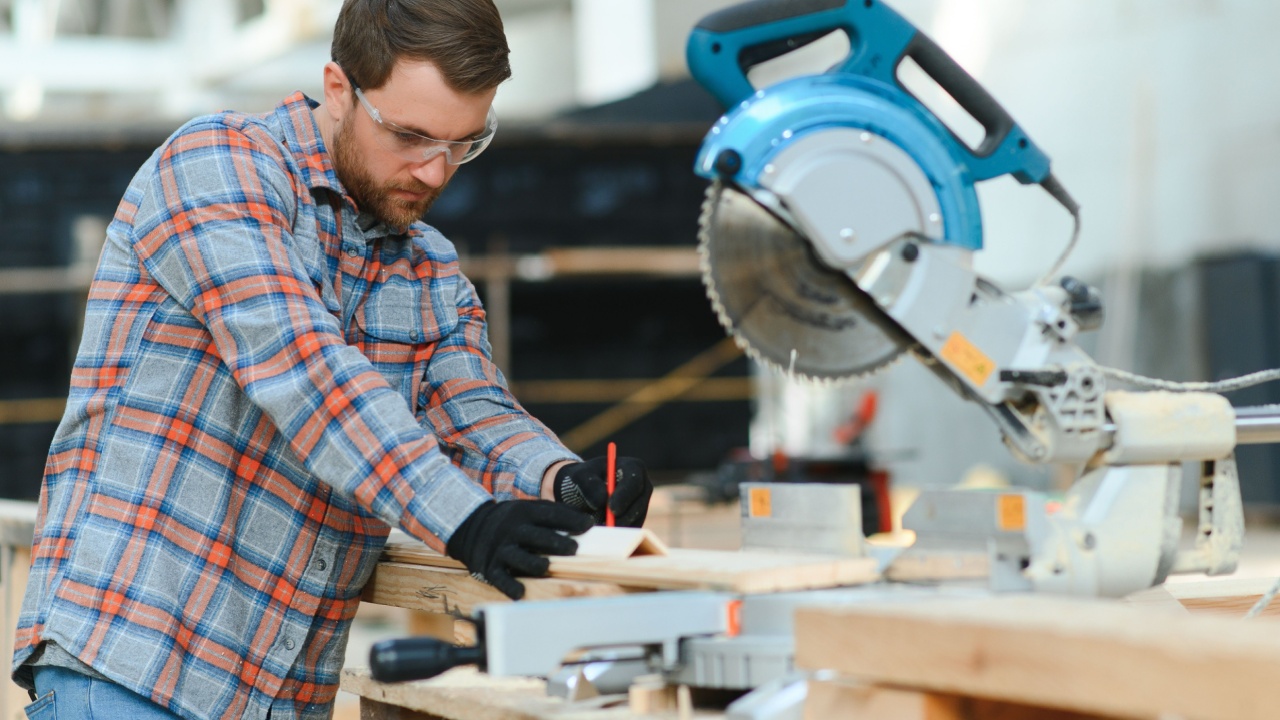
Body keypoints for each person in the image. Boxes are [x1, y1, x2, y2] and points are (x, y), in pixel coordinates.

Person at [11, 1, 653, 718]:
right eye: (410, 135)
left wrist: (563, 479)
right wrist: (467, 523)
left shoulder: (430, 272)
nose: (436, 171)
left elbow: (473, 414)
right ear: (338, 88)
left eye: (464, 144)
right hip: (135, 666)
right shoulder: (218, 166)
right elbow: (305, 372)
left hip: (281, 695)